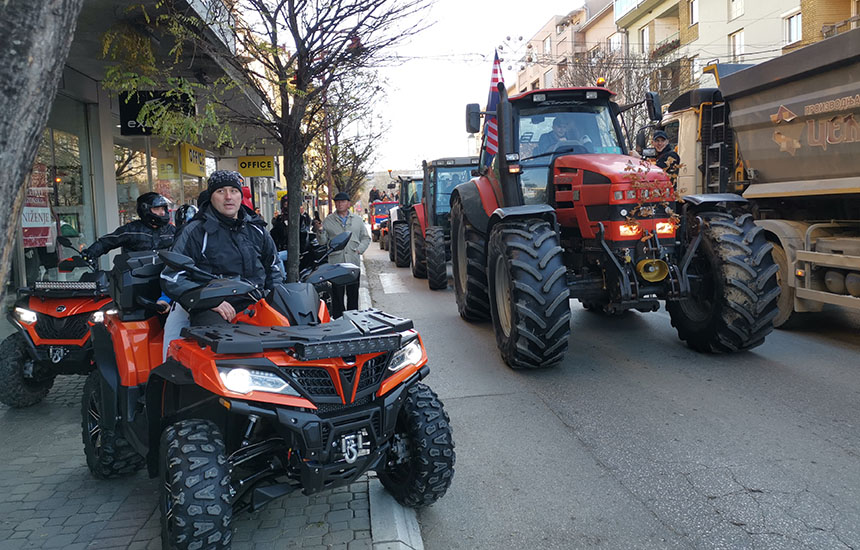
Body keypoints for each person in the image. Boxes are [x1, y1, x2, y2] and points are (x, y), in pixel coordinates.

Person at [161, 170, 283, 326]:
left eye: (233, 191)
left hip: (258, 303)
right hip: (214, 307)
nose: (228, 197)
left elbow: (273, 268)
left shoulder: (257, 230)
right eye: (221, 191)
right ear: (211, 196)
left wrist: (274, 298)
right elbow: (173, 276)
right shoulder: (194, 232)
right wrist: (209, 301)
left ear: (240, 196)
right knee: (221, 345)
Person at [312, 191, 370, 317]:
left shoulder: (357, 220)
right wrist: (320, 230)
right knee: (337, 296)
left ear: (348, 203)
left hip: (352, 263)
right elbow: (322, 242)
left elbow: (366, 238)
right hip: (335, 265)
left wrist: (359, 249)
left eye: (343, 201)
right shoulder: (328, 221)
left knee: (353, 295)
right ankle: (339, 321)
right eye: (337, 202)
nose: (340, 204)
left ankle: (354, 320)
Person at [81, 192, 175, 260]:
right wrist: (90, 253)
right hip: (137, 279)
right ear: (145, 210)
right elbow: (107, 241)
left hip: (165, 279)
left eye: (163, 208)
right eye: (157, 209)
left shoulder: (172, 231)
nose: (162, 212)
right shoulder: (131, 230)